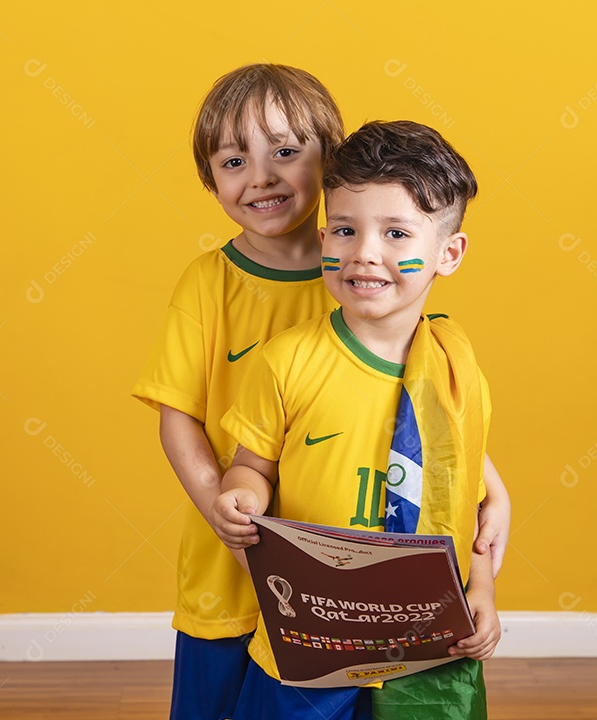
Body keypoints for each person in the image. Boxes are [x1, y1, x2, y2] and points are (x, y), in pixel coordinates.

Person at [210, 120, 501, 720]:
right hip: (313, 630)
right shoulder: (286, 361)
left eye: (396, 233)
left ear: (450, 253)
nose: (365, 252)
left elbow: (463, 496)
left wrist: (485, 593)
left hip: (424, 635)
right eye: (346, 229)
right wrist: (239, 496)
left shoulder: (455, 368)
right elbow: (251, 465)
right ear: (324, 239)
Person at [132, 63, 345, 719]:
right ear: (210, 178)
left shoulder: (359, 276)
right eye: (234, 160)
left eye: (286, 151)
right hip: (231, 563)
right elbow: (179, 420)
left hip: (331, 557)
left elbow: (422, 396)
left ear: (331, 159)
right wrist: (224, 517)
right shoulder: (206, 284)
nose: (261, 176)